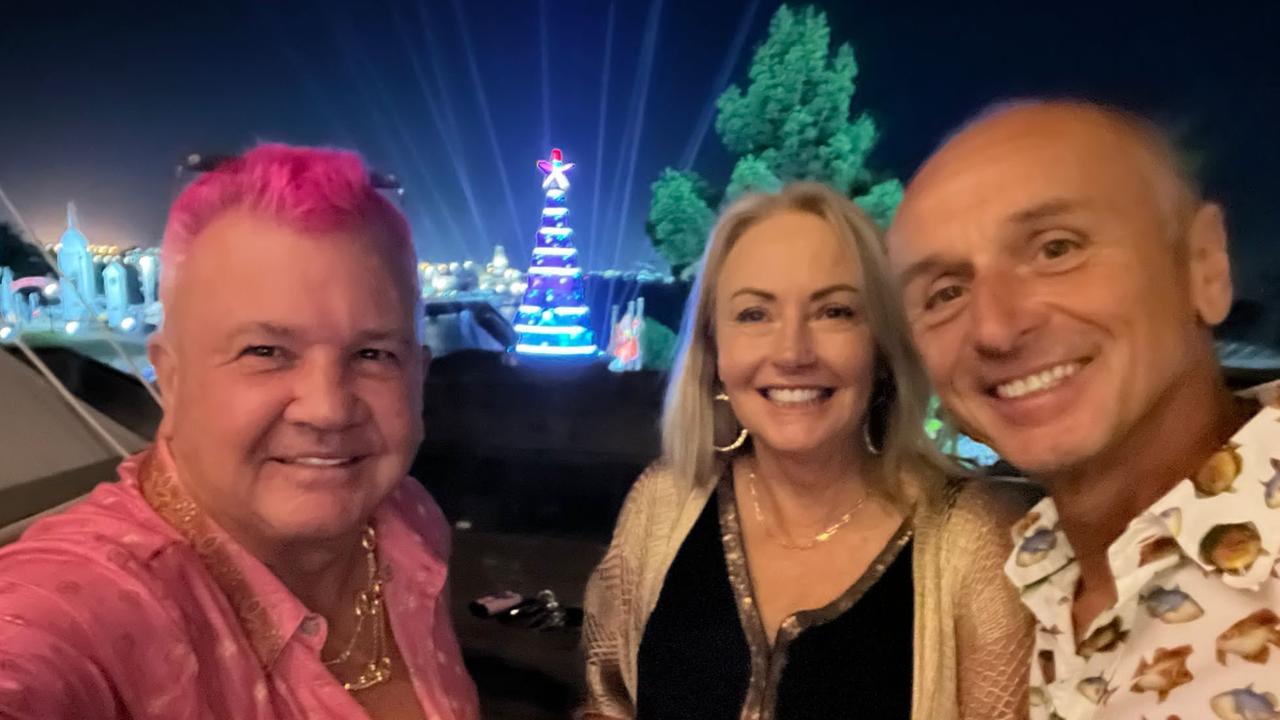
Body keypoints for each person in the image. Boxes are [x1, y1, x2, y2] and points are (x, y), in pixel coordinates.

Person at [0, 144, 479, 719]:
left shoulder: (410, 519)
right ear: (171, 381)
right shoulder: (93, 606)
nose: (327, 410)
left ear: (418, 377)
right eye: (265, 351)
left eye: (373, 354)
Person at [579, 182, 1037, 720]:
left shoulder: (977, 543)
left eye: (835, 312)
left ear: (883, 347)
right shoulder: (663, 504)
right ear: (713, 351)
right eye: (754, 315)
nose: (793, 352)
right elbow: (607, 705)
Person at [888, 100, 1280, 719]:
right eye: (946, 293)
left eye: (1056, 249)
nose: (996, 327)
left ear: (1204, 263)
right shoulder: (1041, 570)